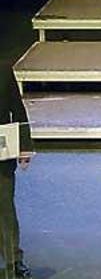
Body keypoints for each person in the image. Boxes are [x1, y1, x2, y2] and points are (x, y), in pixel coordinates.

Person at [1, 64, 33, 279]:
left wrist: (24, 145)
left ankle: (13, 260)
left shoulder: (2, 70)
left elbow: (17, 108)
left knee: (4, 208)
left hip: (0, 151)